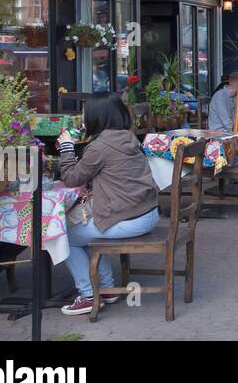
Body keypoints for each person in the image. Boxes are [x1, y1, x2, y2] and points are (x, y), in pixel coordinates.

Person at [55, 95, 161, 316]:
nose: (84, 117)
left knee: (62, 236)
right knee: (82, 233)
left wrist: (66, 148)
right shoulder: (127, 137)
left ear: (97, 117)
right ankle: (107, 287)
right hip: (148, 213)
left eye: (86, 113)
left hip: (128, 220)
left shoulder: (100, 147)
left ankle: (88, 295)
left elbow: (72, 178)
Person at [207, 67, 238, 132]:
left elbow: (234, 118)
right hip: (218, 134)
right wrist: (237, 132)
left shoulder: (235, 97)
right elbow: (226, 122)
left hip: (228, 132)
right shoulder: (219, 96)